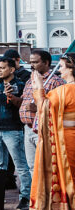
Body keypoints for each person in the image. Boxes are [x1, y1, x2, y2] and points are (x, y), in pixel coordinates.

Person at [30, 52, 75, 210]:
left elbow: (44, 108)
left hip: (65, 140)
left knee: (66, 183)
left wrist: (38, 88)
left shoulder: (65, 91)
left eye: (63, 66)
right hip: (70, 136)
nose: (61, 69)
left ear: (71, 68)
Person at [0, 57, 30, 210]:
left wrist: (8, 97)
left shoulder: (18, 85)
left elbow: (13, 104)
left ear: (12, 69)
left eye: (2, 67)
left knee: (21, 165)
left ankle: (25, 198)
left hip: (12, 129)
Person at [19, 50, 64, 178]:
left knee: (46, 166)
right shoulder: (30, 81)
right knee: (32, 166)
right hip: (27, 129)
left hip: (43, 129)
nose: (32, 65)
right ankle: (37, 196)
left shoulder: (55, 81)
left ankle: (48, 196)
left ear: (46, 63)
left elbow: (59, 107)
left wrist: (39, 107)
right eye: (30, 62)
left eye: (35, 62)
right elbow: (23, 101)